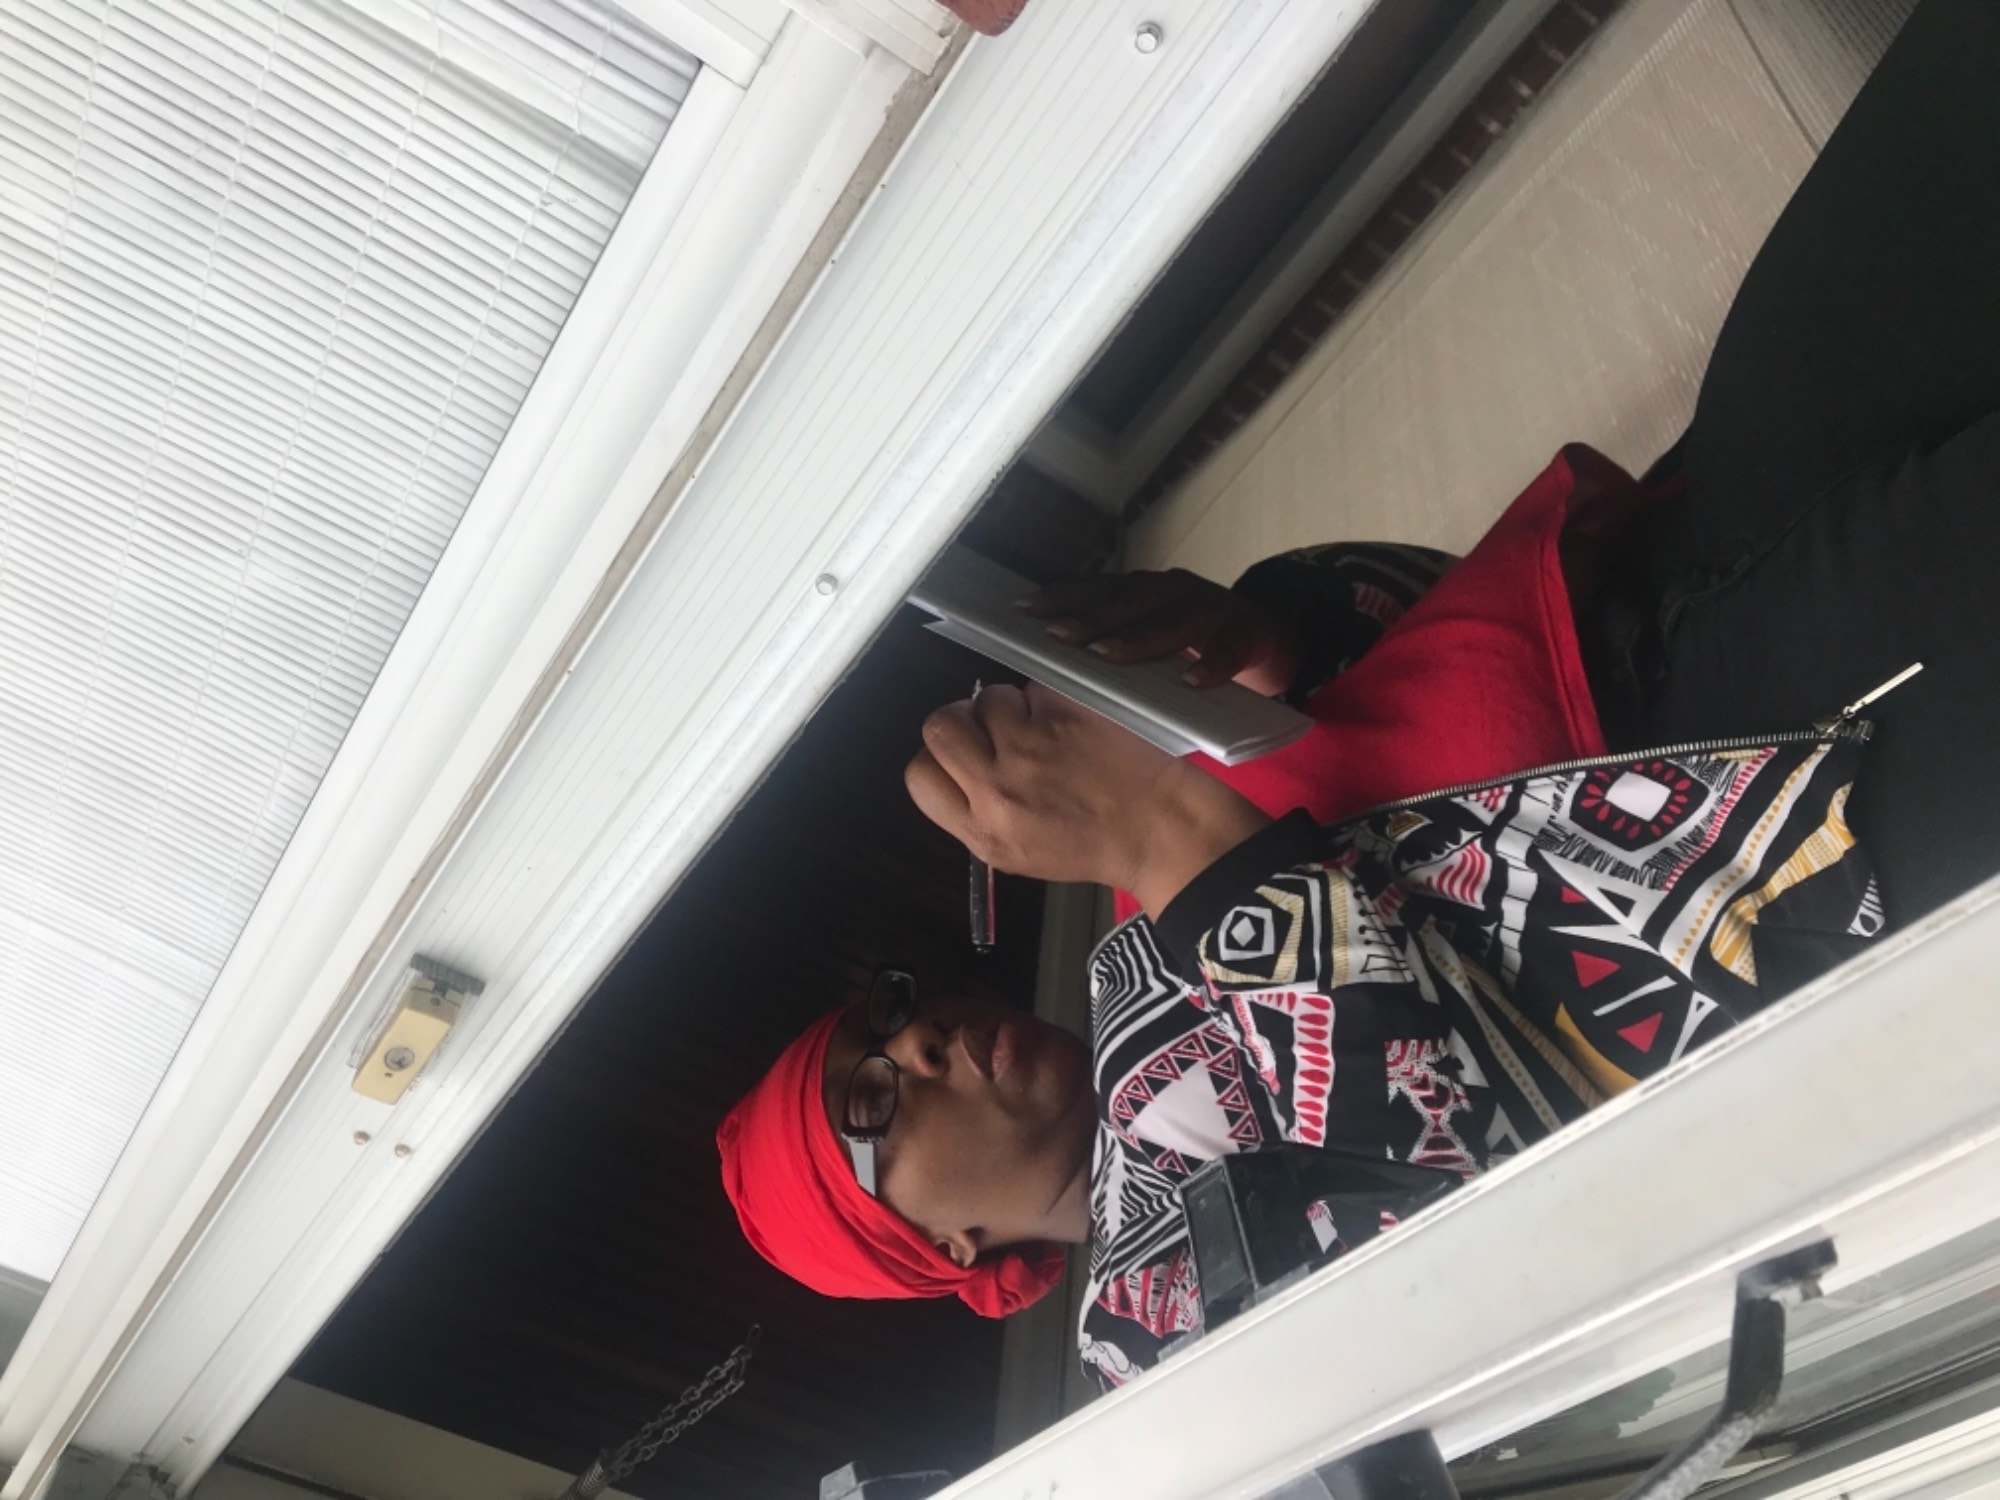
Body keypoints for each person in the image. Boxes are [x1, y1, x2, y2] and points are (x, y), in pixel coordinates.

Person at [719, 0, 1997, 1386]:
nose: (914, 1043)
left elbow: (1422, 651)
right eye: (873, 1106)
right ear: (947, 1245)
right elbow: (1477, 1237)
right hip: (1772, 811)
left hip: (1673, 545)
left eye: (881, 1023)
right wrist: (1156, 826)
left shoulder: (1142, 943)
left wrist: (1258, 640)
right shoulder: (1153, 1344)